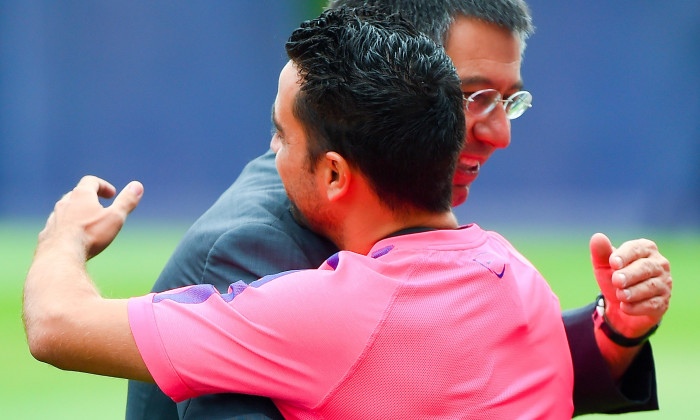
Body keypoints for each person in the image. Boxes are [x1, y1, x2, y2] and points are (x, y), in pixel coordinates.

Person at [123, 1, 672, 419]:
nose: (501, 132)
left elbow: (466, 366)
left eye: (510, 101)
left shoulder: (410, 218)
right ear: (387, 76)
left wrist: (613, 333)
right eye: (473, 96)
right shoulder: (255, 246)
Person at [24, 7, 576, 418]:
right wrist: (614, 338)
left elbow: (57, 326)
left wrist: (63, 240)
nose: (273, 154)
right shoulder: (526, 284)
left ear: (334, 173)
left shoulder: (318, 312)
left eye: (282, 135)